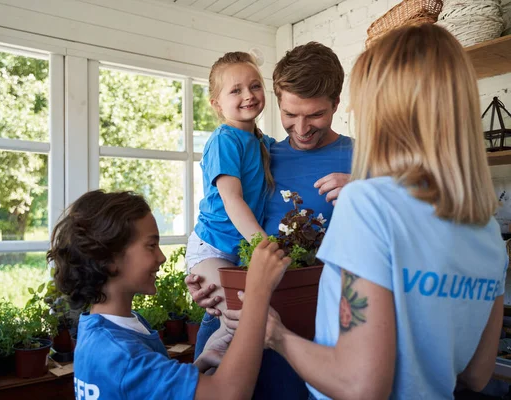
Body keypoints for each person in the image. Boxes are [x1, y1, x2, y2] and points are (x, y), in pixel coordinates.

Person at [263, 23, 508, 399]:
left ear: (386, 109)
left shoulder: (368, 202)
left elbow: (360, 387)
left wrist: (276, 336)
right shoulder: (488, 230)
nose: (357, 109)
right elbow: (476, 374)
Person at [188, 42, 354, 399]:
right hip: (238, 316)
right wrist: (208, 277)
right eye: (290, 114)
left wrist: (365, 191)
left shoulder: (363, 157)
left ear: (336, 104)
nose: (302, 128)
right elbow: (223, 209)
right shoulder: (264, 151)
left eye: (316, 115)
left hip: (312, 328)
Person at [48, 190, 291, 399]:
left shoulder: (103, 330)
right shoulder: (121, 354)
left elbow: (143, 390)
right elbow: (227, 394)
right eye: (151, 245)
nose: (162, 257)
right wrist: (258, 292)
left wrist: (203, 360)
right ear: (110, 259)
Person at [185, 51, 275, 354]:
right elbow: (232, 199)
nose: (248, 95)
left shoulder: (261, 141)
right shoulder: (225, 140)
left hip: (236, 254)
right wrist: (262, 244)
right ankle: (202, 376)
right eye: (235, 90)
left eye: (255, 86)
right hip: (210, 249)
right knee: (234, 319)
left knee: (241, 319)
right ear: (216, 104)